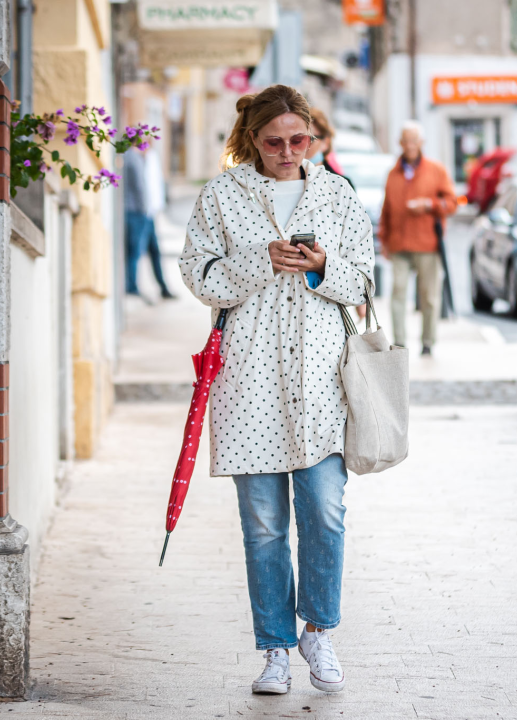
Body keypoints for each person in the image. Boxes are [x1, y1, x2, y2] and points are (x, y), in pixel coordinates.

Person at [178, 85, 374, 694]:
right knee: (263, 525)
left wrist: (319, 266)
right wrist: (261, 260)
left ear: (313, 136)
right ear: (252, 140)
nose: (288, 151)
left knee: (325, 512)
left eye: (300, 139)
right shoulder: (221, 195)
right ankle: (275, 649)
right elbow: (198, 276)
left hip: (322, 381)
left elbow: (363, 280)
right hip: (249, 383)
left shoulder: (337, 194)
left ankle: (318, 631)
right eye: (274, 141)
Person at [379, 120, 457, 354]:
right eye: (406, 140)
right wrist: (383, 239)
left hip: (427, 244)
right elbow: (386, 210)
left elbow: (452, 203)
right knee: (398, 293)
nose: (410, 145)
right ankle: (400, 341)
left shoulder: (436, 170)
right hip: (399, 243)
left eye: (414, 140)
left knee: (429, 296)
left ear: (421, 142)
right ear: (400, 143)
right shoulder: (393, 173)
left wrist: (429, 204)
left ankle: (428, 342)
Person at [123, 147, 172, 299]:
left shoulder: (147, 157)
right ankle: (131, 287)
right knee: (135, 251)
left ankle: (163, 287)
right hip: (139, 213)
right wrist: (145, 210)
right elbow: (139, 187)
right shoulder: (132, 157)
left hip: (147, 213)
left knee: (154, 252)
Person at [307, 108, 351, 185]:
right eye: (296, 140)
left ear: (325, 142)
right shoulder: (285, 181)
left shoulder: (341, 185)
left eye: (310, 139)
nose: (303, 146)